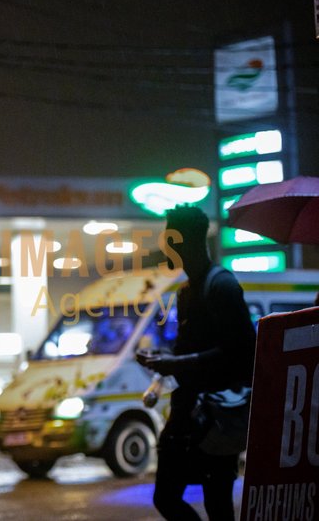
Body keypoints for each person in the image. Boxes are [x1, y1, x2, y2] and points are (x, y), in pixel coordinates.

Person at [136, 205, 256, 521]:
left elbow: (241, 353)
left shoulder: (221, 285)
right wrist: (164, 360)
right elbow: (187, 352)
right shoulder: (186, 292)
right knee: (167, 497)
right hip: (189, 413)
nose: (164, 244)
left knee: (217, 505)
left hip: (218, 416)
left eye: (169, 238)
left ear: (181, 241)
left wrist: (177, 363)